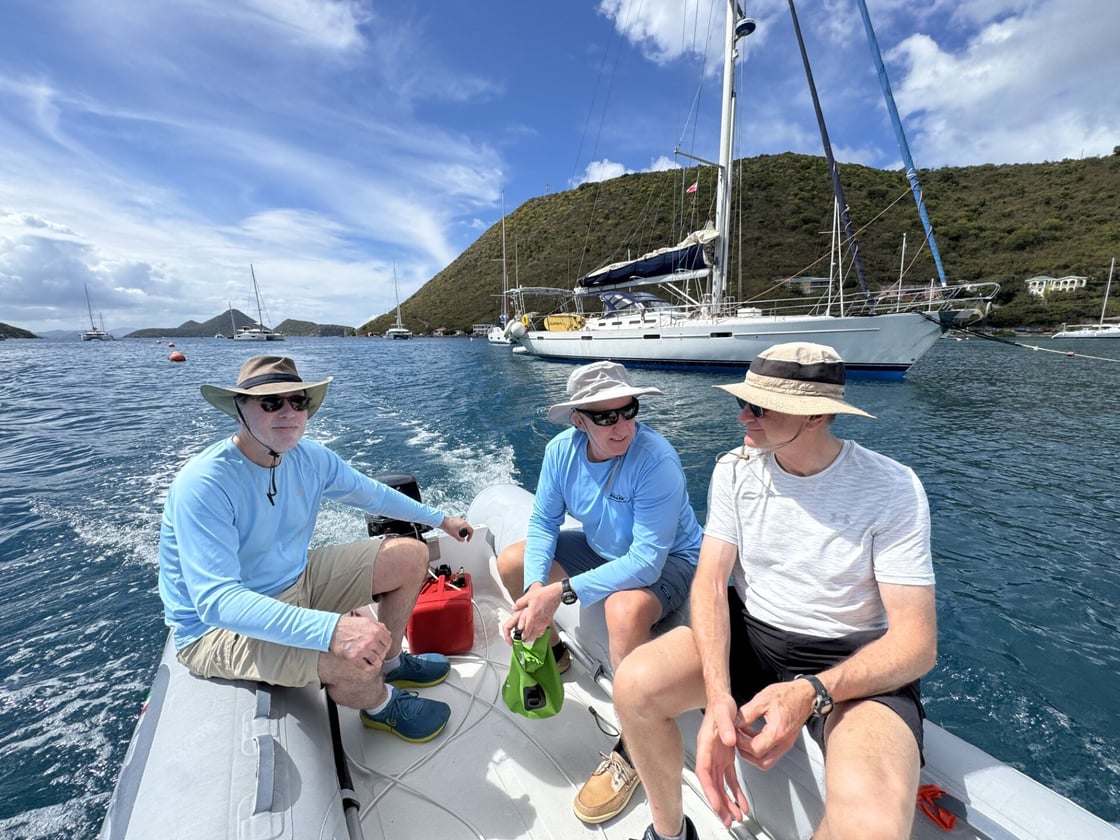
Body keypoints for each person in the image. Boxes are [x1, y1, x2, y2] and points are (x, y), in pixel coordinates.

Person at [614, 342, 938, 840]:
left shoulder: (892, 488)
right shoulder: (735, 470)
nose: (743, 416)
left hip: (851, 667)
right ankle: (670, 833)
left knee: (870, 826)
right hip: (754, 636)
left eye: (759, 406)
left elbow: (917, 644)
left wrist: (812, 692)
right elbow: (709, 581)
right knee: (635, 684)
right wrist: (718, 695)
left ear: (814, 417)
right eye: (741, 401)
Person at [158, 355, 474, 744]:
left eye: (298, 401)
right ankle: (380, 706)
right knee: (348, 652)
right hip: (217, 631)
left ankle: (390, 664)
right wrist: (333, 628)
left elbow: (372, 494)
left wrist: (440, 519)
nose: (288, 412)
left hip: (295, 578)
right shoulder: (205, 483)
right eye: (271, 402)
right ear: (240, 408)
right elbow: (217, 601)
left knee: (410, 555)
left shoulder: (308, 457)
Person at [497, 361, 703, 824]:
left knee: (624, 610)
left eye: (629, 411)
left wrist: (562, 592)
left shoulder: (656, 460)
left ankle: (633, 746)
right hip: (600, 549)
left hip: (671, 558)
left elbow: (648, 562)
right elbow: (543, 522)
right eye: (606, 417)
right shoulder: (560, 451)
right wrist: (535, 590)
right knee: (513, 560)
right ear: (579, 420)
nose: (622, 426)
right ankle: (555, 650)